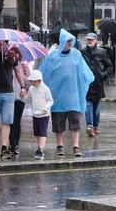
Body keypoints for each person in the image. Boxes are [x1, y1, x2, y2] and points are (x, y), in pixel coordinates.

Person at [38, 29, 94, 157]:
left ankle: (76, 146)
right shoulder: (53, 56)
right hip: (57, 97)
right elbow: (44, 72)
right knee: (58, 124)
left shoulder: (76, 54)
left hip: (73, 96)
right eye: (68, 41)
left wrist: (89, 79)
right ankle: (59, 146)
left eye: (71, 41)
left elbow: (84, 70)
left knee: (75, 122)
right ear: (62, 41)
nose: (70, 43)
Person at [0, 40, 26, 160]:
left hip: (8, 93)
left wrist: (23, 86)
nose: (1, 44)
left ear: (7, 43)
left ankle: (4, 149)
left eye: (3, 42)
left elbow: (17, 70)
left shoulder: (12, 55)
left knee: (7, 122)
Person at [81, 33, 113, 137]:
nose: (89, 41)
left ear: (96, 40)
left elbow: (109, 66)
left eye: (91, 40)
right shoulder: (82, 52)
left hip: (98, 83)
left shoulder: (101, 52)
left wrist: (103, 75)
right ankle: (89, 126)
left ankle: (95, 126)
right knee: (88, 105)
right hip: (87, 83)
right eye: (88, 40)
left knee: (97, 107)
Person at [19, 70, 53, 160]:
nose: (31, 82)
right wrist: (22, 97)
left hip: (44, 115)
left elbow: (50, 100)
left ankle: (41, 150)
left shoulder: (45, 89)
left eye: (33, 81)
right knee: (37, 133)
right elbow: (27, 99)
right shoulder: (31, 89)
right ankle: (39, 148)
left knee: (42, 133)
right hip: (35, 114)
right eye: (31, 81)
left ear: (39, 80)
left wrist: (46, 108)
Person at [9, 47, 29, 155]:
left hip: (20, 97)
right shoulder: (7, 65)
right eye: (12, 53)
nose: (14, 55)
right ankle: (11, 143)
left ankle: (15, 144)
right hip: (10, 96)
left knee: (16, 121)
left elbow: (29, 79)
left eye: (15, 53)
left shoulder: (23, 65)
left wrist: (24, 79)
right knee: (11, 121)